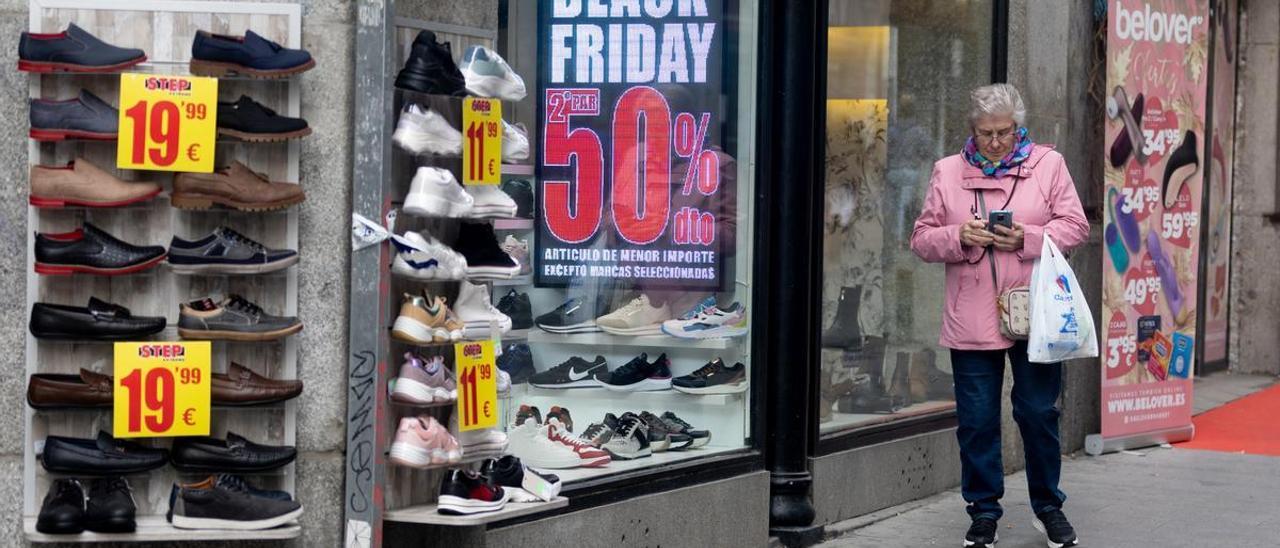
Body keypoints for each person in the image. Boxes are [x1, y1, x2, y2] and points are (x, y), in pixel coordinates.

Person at [909, 83, 1089, 548]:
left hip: (1035, 315)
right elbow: (922, 238)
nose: (995, 142)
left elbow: (1075, 226)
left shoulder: (1048, 165)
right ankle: (984, 513)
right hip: (971, 314)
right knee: (976, 421)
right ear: (972, 129)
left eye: (1005, 132)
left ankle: (1049, 507)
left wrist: (1026, 238)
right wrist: (959, 235)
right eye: (986, 133)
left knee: (1037, 414)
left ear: (1018, 127)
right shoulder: (947, 171)